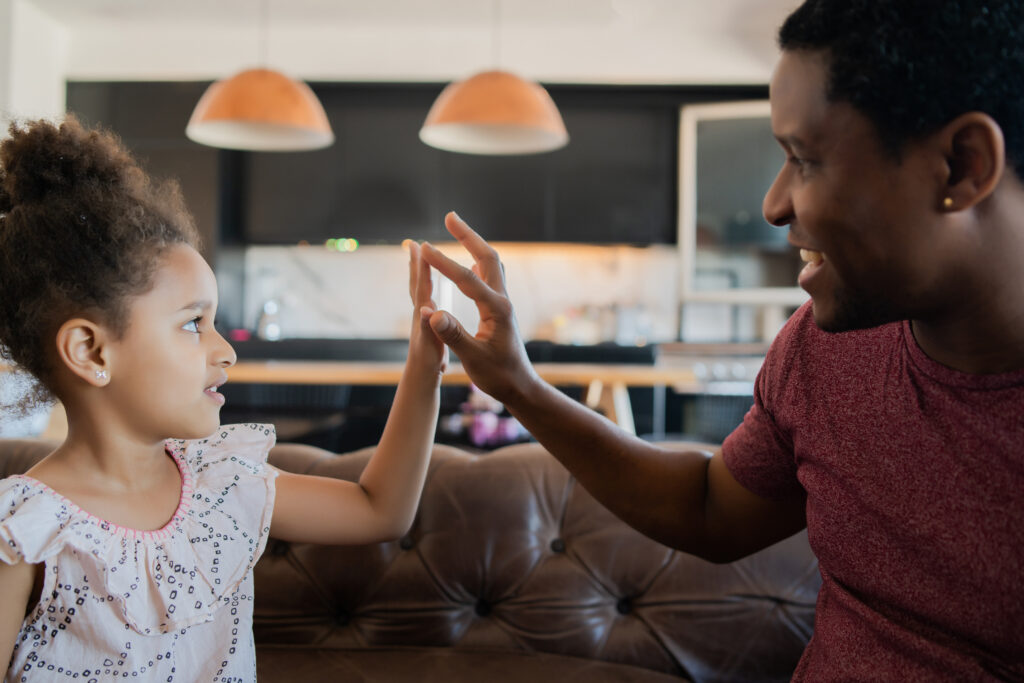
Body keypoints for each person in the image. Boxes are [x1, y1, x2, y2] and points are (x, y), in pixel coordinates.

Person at [418, 0, 1024, 679]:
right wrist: (518, 386)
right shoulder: (826, 348)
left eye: (805, 159)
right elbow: (708, 506)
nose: (773, 205)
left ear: (962, 166)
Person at [0, 117, 446, 681]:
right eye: (194, 324)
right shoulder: (23, 533)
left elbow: (380, 510)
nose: (225, 351)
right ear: (90, 351)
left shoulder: (220, 485)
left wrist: (425, 365)